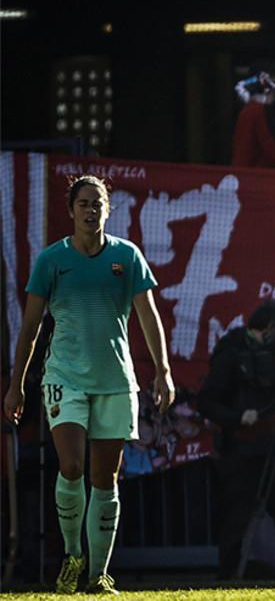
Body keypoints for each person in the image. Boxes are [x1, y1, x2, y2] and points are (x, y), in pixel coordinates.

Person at [3, 175, 175, 594]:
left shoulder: (127, 256)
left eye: (97, 203)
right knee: (71, 466)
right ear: (71, 210)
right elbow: (29, 325)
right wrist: (16, 384)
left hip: (115, 380)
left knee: (105, 478)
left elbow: (149, 316)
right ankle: (71, 556)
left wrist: (163, 370)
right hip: (64, 377)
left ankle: (98, 573)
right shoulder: (51, 260)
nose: (90, 209)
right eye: (83, 203)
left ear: (108, 208)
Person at [197, 300, 275, 580]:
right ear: (270, 327)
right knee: (236, 518)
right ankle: (228, 578)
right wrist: (238, 417)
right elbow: (206, 402)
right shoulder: (232, 354)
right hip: (240, 451)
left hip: (271, 447)